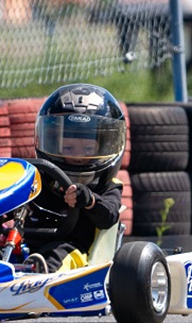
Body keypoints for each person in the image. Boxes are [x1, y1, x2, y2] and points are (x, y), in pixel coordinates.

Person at [24, 83, 127, 273]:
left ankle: (37, 281)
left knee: (55, 255)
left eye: (88, 149)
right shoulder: (38, 179)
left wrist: (88, 200)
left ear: (102, 148)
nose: (78, 156)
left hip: (76, 253)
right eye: (69, 148)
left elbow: (109, 216)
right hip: (27, 245)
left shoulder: (109, 187)